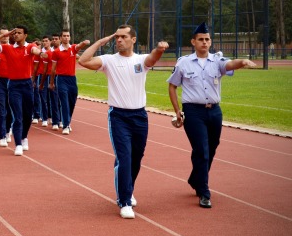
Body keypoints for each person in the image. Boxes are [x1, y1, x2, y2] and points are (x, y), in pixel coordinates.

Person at [78, 24, 169, 219]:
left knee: (136, 158)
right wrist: (102, 42)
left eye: (123, 37)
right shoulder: (109, 60)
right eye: (117, 37)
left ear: (133, 40)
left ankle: (128, 188)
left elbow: (153, 57)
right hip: (118, 116)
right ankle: (124, 201)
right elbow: (83, 60)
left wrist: (160, 49)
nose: (119, 40)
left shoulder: (141, 60)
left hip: (139, 116)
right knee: (125, 158)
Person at [167, 22, 256, 209]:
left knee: (212, 147)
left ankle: (195, 178)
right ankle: (204, 193)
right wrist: (177, 110)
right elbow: (172, 86)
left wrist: (243, 62)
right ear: (193, 42)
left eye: (207, 39)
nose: (204, 42)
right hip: (193, 111)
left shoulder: (217, 60)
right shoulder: (183, 62)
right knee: (202, 150)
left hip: (214, 111)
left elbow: (230, 64)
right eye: (201, 39)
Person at [0, 25, 46, 156]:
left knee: (27, 116)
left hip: (27, 84)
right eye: (15, 33)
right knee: (17, 116)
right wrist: (4, 36)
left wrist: (41, 53)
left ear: (25, 35)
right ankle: (18, 144)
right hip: (13, 85)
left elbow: (35, 51)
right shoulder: (7, 48)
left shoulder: (30, 47)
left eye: (19, 33)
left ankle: (24, 137)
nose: (16, 35)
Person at [49, 30, 90, 135]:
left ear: (70, 37)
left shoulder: (73, 49)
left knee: (72, 102)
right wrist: (52, 82)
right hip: (61, 79)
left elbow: (79, 46)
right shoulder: (56, 52)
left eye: (68, 36)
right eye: (64, 36)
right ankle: (66, 125)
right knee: (64, 103)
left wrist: (84, 43)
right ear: (61, 38)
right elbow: (53, 69)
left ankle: (67, 121)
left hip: (72, 79)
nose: (66, 38)